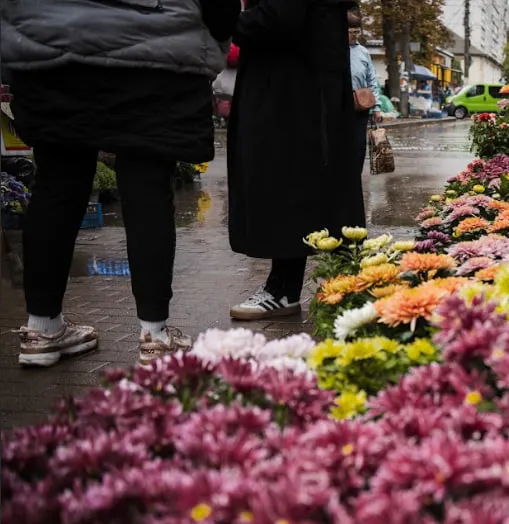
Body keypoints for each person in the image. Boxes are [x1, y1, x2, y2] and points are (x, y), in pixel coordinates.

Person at [1, 0, 240, 367]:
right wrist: (213, 37)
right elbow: (221, 10)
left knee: (56, 184)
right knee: (147, 187)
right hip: (154, 49)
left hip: (53, 47)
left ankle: (42, 328)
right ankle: (154, 335)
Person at [227, 0, 364, 321]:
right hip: (303, 83)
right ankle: (338, 287)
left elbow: (280, 17)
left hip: (293, 87)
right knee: (313, 184)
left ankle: (292, 289)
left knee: (292, 182)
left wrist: (225, 19)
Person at [347, 9, 380, 181]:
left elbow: (372, 80)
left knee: (359, 144)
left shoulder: (363, 52)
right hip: (339, 104)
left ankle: (355, 177)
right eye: (351, 32)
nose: (355, 36)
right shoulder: (334, 51)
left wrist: (377, 107)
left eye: (357, 32)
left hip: (361, 105)